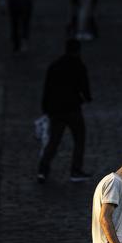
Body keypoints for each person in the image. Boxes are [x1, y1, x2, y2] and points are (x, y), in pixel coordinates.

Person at [37, 39, 92, 183]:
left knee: (54, 141)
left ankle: (42, 170)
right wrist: (87, 98)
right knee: (79, 139)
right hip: (72, 108)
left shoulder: (55, 66)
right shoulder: (78, 66)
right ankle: (75, 170)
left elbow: (47, 88)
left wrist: (46, 108)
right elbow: (84, 88)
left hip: (56, 110)